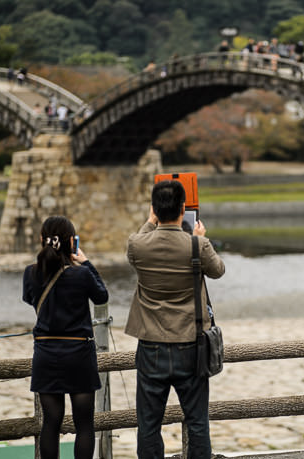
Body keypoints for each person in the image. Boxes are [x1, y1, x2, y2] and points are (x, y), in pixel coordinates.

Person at [126, 180, 225, 459]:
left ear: (154, 210)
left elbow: (135, 250)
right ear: (184, 209)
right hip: (190, 344)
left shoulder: (137, 244)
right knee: (197, 422)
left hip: (151, 346)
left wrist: (149, 223)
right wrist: (200, 238)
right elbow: (218, 270)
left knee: (148, 424)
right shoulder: (197, 245)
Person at [22, 216, 108, 459]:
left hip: (46, 355)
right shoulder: (81, 275)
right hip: (78, 355)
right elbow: (102, 296)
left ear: (42, 240)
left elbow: (29, 298)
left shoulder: (31, 273)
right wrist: (87, 263)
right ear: (72, 241)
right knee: (84, 424)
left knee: (51, 423)